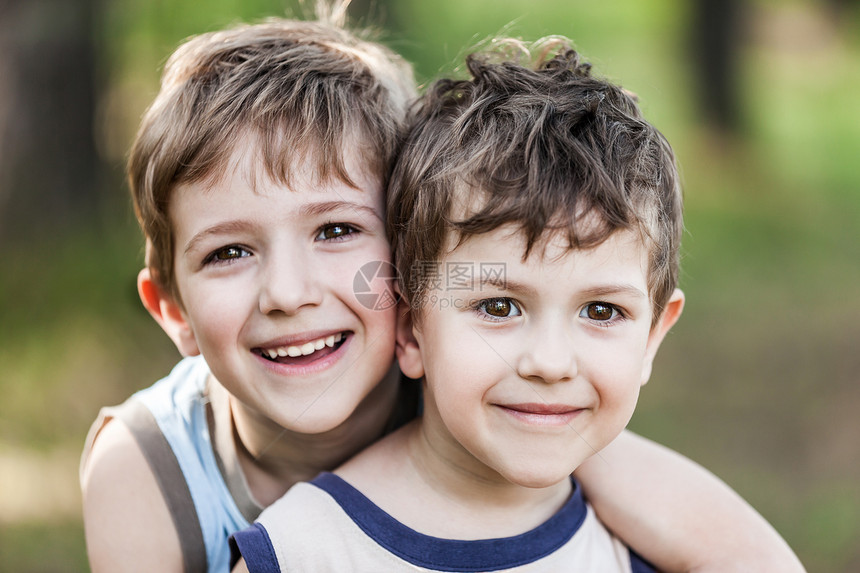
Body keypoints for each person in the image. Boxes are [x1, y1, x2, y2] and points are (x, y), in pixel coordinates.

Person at [79, 4, 804, 572]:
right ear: (171, 308)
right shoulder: (147, 471)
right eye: (231, 250)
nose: (287, 292)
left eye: (335, 231)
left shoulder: (500, 394)